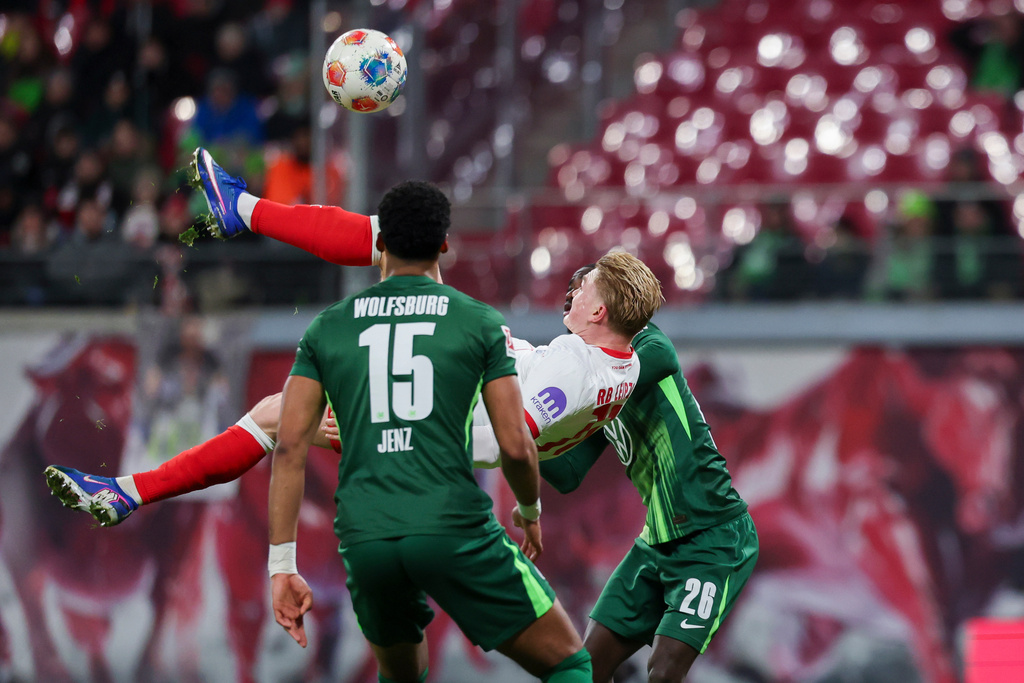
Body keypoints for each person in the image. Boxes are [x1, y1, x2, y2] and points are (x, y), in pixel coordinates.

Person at [44, 149, 662, 528]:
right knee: (277, 407)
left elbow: (515, 438)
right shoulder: (628, 362)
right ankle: (126, 493)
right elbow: (543, 441)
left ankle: (244, 211)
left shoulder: (573, 365)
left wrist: (403, 432)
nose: (574, 286)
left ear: (600, 310)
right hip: (461, 391)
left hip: (438, 405)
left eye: (585, 284)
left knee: (397, 243)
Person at [266, 179, 592, 682]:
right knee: (569, 662)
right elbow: (516, 445)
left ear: (379, 242)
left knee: (404, 676)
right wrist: (529, 511)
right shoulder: (478, 322)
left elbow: (289, 448)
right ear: (444, 244)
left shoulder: (327, 328)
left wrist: (282, 565)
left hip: (367, 537)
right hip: (451, 526)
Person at [542, 265, 758, 683]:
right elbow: (566, 474)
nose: (569, 294)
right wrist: (517, 434)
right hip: (655, 545)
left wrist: (550, 396)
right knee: (587, 668)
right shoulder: (597, 389)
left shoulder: (647, 343)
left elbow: (640, 367)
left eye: (581, 287)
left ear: (604, 307)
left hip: (713, 539)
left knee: (663, 672)